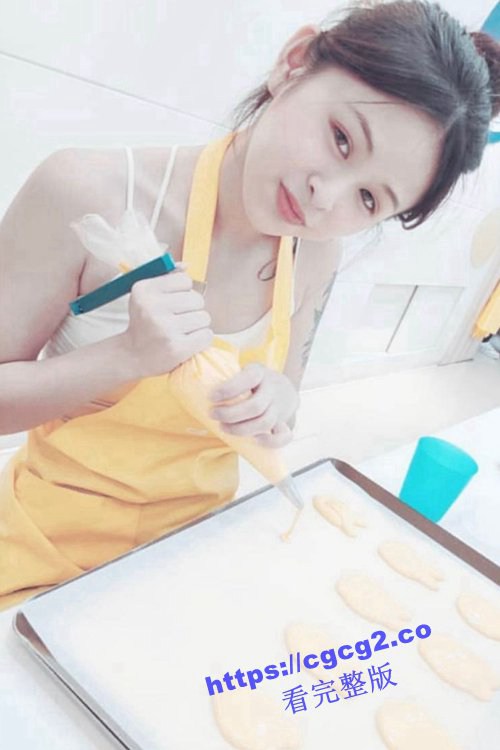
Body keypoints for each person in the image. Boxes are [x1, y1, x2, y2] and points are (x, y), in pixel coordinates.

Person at [1, 0, 500, 610]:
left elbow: (285, 402)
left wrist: (277, 403)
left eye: (369, 199)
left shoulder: (316, 254)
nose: (325, 198)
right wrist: (125, 356)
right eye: (341, 138)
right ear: (295, 62)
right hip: (41, 556)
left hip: (186, 558)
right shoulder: (89, 191)